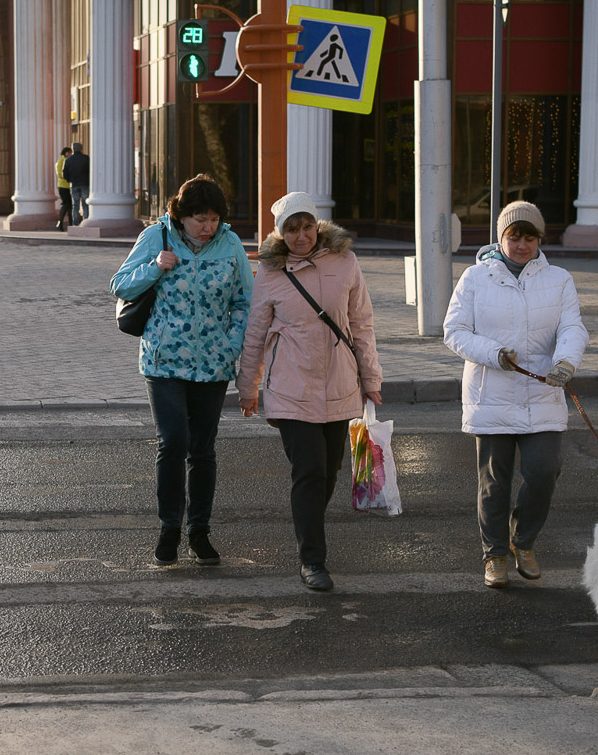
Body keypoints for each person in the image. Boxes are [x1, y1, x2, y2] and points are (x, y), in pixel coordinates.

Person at [237, 192, 383, 593]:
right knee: (310, 470)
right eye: (291, 229)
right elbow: (255, 334)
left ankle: (307, 526)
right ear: (280, 233)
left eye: (306, 227)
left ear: (316, 226)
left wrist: (371, 379)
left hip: (339, 383)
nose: (300, 236)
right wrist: (248, 386)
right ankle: (312, 560)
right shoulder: (271, 272)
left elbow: (362, 325)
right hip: (290, 387)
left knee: (331, 468)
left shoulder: (345, 262)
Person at [444, 200, 589, 589]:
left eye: (529, 237)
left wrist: (566, 362)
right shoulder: (475, 278)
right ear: (500, 237)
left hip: (542, 391)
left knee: (544, 470)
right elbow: (454, 331)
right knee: (495, 481)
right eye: (513, 236)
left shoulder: (559, 279)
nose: (521, 245)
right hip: (491, 392)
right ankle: (495, 554)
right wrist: (494, 354)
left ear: (539, 239)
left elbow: (572, 328)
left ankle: (523, 541)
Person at [110, 174, 252, 566]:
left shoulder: (230, 243)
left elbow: (245, 300)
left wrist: (231, 343)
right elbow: (119, 286)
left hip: (213, 363)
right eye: (199, 219)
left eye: (213, 219)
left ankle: (199, 531)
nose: (207, 228)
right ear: (181, 215)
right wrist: (155, 268)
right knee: (173, 442)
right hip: (163, 360)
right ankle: (169, 527)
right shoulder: (157, 237)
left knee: (202, 450)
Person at [63, 142, 90, 226]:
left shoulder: (68, 160)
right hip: (85, 184)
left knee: (75, 205)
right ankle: (86, 222)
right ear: (81, 149)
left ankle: (75, 223)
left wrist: (69, 180)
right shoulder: (86, 158)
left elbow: (65, 173)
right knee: (85, 204)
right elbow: (90, 171)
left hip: (74, 185)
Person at [55, 147, 73, 232]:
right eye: (70, 152)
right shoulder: (60, 162)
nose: (71, 154)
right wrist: (70, 177)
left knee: (70, 206)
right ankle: (60, 223)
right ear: (66, 153)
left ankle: (70, 224)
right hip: (63, 186)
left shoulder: (69, 161)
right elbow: (60, 174)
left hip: (69, 186)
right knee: (66, 204)